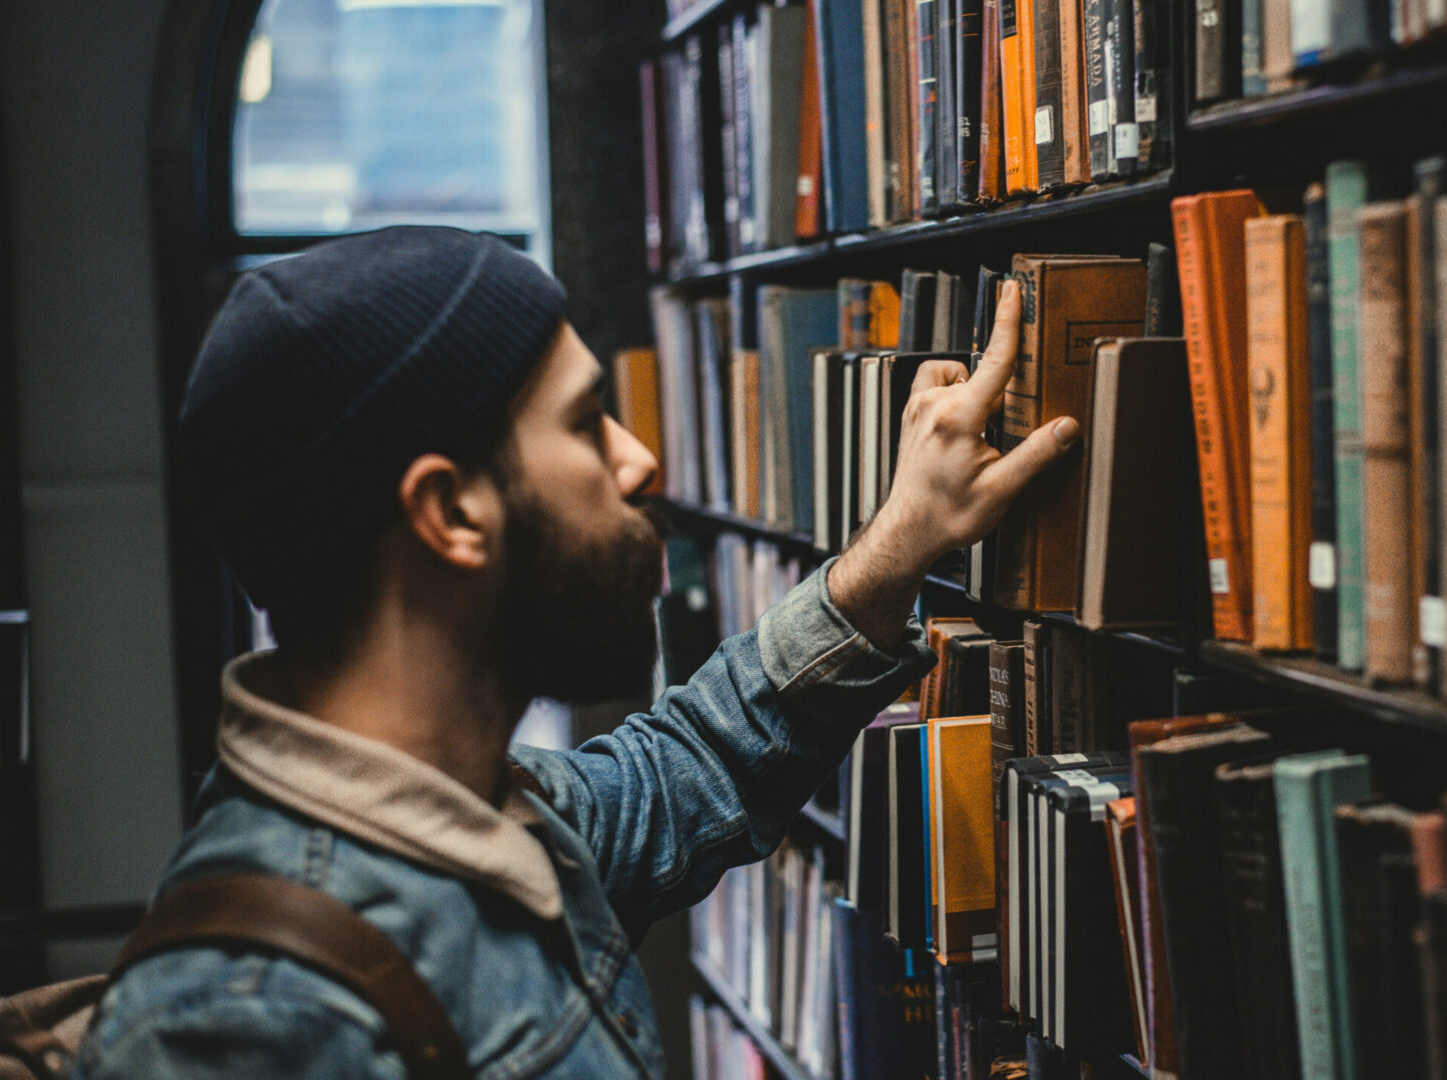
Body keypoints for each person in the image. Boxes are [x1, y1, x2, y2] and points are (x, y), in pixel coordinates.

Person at [70, 226, 1077, 1078]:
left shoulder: (491, 815)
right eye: (586, 421)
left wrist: (902, 539)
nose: (639, 461)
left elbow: (695, 762)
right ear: (450, 513)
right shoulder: (248, 1016)